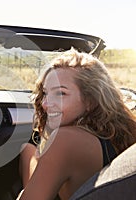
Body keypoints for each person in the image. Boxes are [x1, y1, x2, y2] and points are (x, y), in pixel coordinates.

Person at [18, 48, 136, 199]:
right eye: (46, 93)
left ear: (90, 100)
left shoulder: (65, 140)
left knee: (28, 150)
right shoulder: (124, 133)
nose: (46, 104)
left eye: (61, 93)